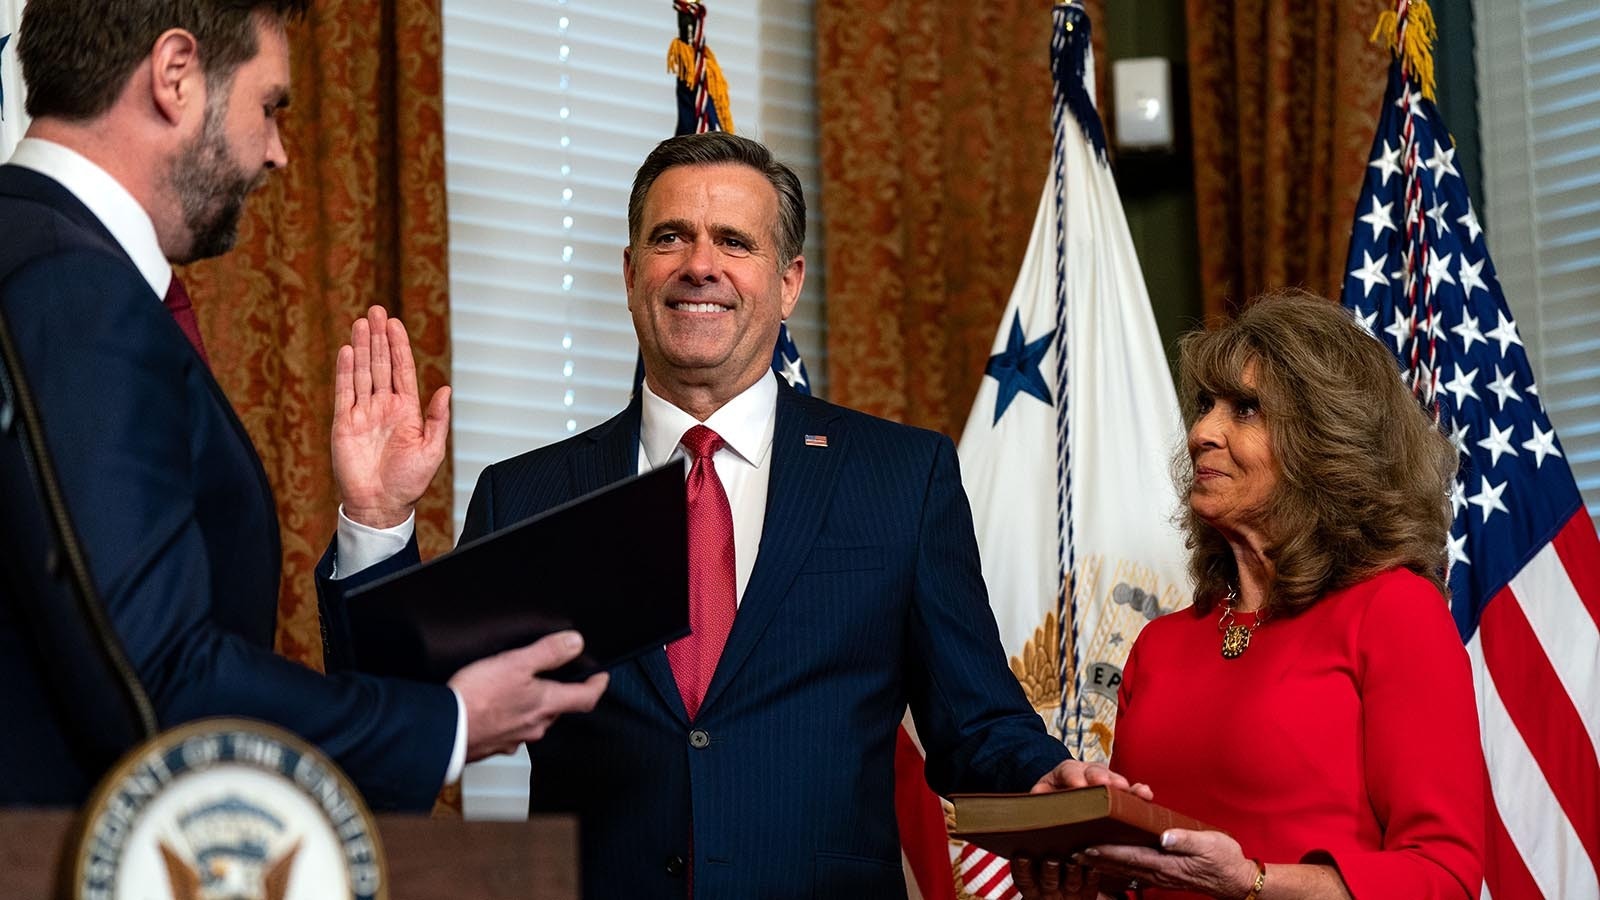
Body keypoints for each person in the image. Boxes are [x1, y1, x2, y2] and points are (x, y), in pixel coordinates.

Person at [330, 131, 1144, 897]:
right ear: (628, 272)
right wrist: (375, 519)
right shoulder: (532, 494)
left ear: (788, 281)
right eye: (670, 238)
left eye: (735, 242)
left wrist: (1045, 781)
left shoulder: (901, 479)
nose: (700, 265)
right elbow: (403, 719)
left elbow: (974, 720)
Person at [0, 0, 605, 810]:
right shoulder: (78, 289)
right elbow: (159, 677)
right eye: (269, 106)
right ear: (175, 74)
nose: (277, 153)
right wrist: (450, 724)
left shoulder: (29, 249)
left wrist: (375, 518)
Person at [1014, 292, 1484, 899]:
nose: (1201, 432)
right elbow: (1145, 876)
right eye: (1206, 406)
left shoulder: (1394, 609)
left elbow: (1442, 877)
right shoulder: (1161, 643)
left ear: (1325, 445)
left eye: (1246, 410)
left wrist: (1253, 882)